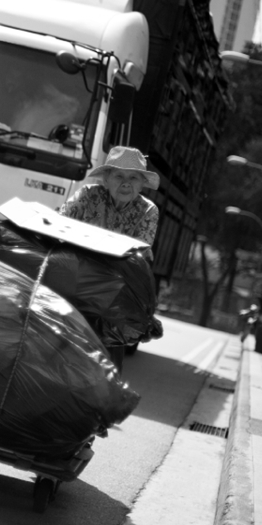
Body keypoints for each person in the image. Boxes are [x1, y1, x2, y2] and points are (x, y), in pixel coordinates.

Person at [60, 146, 160, 372]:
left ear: (142, 183)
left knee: (109, 356)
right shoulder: (87, 195)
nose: (126, 183)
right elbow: (60, 225)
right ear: (106, 178)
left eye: (133, 177)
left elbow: (137, 255)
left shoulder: (148, 211)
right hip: (74, 276)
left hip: (115, 289)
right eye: (119, 176)